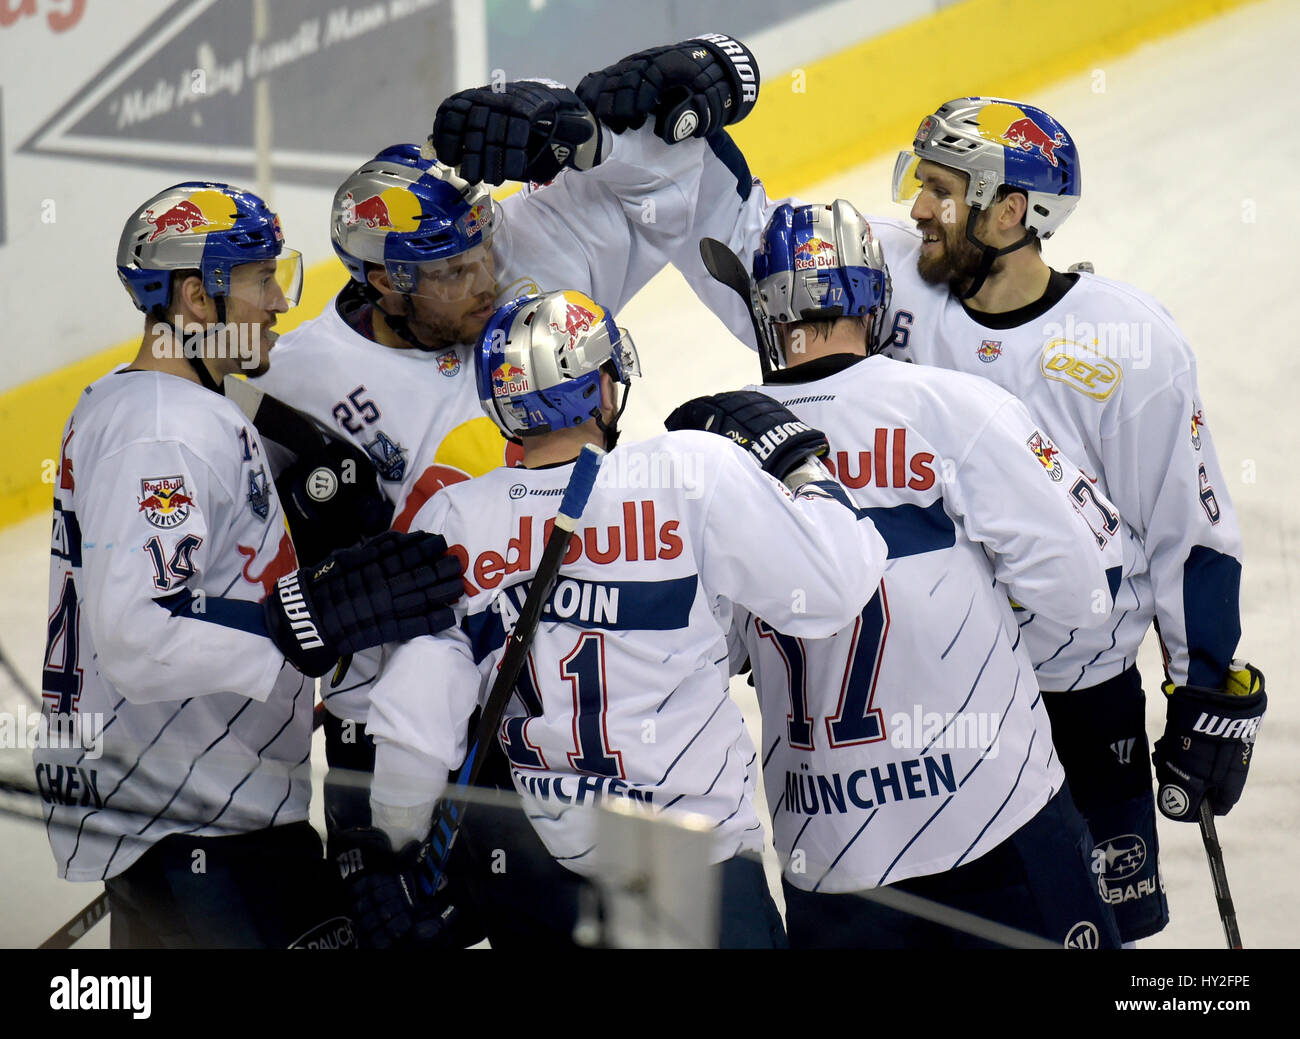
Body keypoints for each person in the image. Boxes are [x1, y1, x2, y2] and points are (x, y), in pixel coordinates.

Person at [248, 35, 765, 893]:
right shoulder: (295, 381)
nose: (489, 278)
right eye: (453, 271)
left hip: (567, 713)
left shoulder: (535, 248)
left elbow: (674, 185)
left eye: (485, 247)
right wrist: (314, 622)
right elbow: (263, 568)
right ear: (383, 285)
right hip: (401, 725)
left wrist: (588, 123)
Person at [337, 288, 889, 948]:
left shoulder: (454, 519)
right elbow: (836, 587)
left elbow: (415, 727)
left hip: (542, 881)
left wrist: (397, 856)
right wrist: (801, 466)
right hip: (691, 874)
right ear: (601, 386)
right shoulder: (688, 470)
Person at [33, 182, 462, 948]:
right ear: (198, 298)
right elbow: (139, 632)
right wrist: (304, 621)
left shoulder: (148, 404)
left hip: (192, 811)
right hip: (199, 815)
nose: (278, 302)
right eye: (262, 280)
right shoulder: (163, 431)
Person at [876, 97, 1264, 943]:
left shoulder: (1127, 345)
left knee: (1095, 935)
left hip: (1080, 698)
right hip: (936, 693)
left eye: (941, 190)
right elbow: (767, 250)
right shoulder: (895, 284)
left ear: (1009, 211)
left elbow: (1185, 534)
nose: (917, 210)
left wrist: (1205, 689)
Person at [709, 199, 1125, 948]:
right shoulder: (953, 405)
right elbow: (1087, 594)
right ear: (875, 294)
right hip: (994, 816)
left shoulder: (719, 457)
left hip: (833, 852)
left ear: (767, 308)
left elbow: (707, 654)